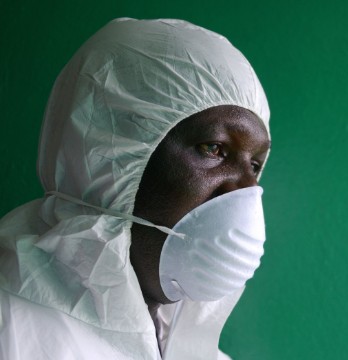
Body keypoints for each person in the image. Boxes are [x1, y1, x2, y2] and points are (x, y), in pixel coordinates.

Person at [0, 18, 271, 359]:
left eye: (256, 166)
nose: (244, 193)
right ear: (111, 154)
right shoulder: (12, 330)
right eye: (215, 149)